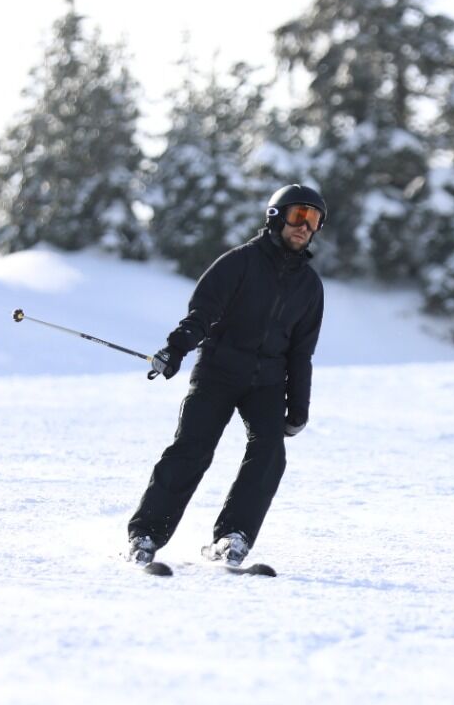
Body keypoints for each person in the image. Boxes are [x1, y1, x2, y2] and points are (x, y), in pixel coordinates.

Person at [127, 185, 327, 568]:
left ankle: (233, 536)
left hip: (266, 382)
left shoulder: (310, 287)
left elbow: (301, 352)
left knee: (269, 451)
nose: (304, 226)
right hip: (218, 372)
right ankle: (146, 535)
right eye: (298, 216)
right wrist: (175, 350)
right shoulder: (238, 263)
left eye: (314, 220)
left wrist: (298, 406)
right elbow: (201, 314)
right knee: (193, 449)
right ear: (276, 217)